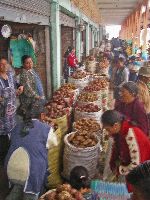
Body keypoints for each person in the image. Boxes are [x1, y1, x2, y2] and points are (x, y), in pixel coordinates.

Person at [5, 103, 55, 200]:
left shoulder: (15, 127)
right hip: (31, 171)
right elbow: (54, 143)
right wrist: (50, 129)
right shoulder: (46, 129)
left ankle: (17, 189)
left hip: (10, 168)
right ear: (42, 116)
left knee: (19, 183)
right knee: (31, 193)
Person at [101, 110, 150, 192]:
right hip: (133, 163)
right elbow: (116, 149)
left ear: (115, 125)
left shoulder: (130, 135)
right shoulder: (119, 131)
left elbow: (136, 165)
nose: (108, 133)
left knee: (130, 191)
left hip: (144, 169)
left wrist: (120, 169)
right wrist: (113, 164)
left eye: (108, 129)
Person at [0, 58, 23, 165]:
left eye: (5, 64)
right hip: (2, 113)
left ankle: (12, 155)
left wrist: (20, 87)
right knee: (3, 136)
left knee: (12, 131)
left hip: (12, 111)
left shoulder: (9, 75)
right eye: (1, 64)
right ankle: (4, 160)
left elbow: (16, 83)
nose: (4, 66)